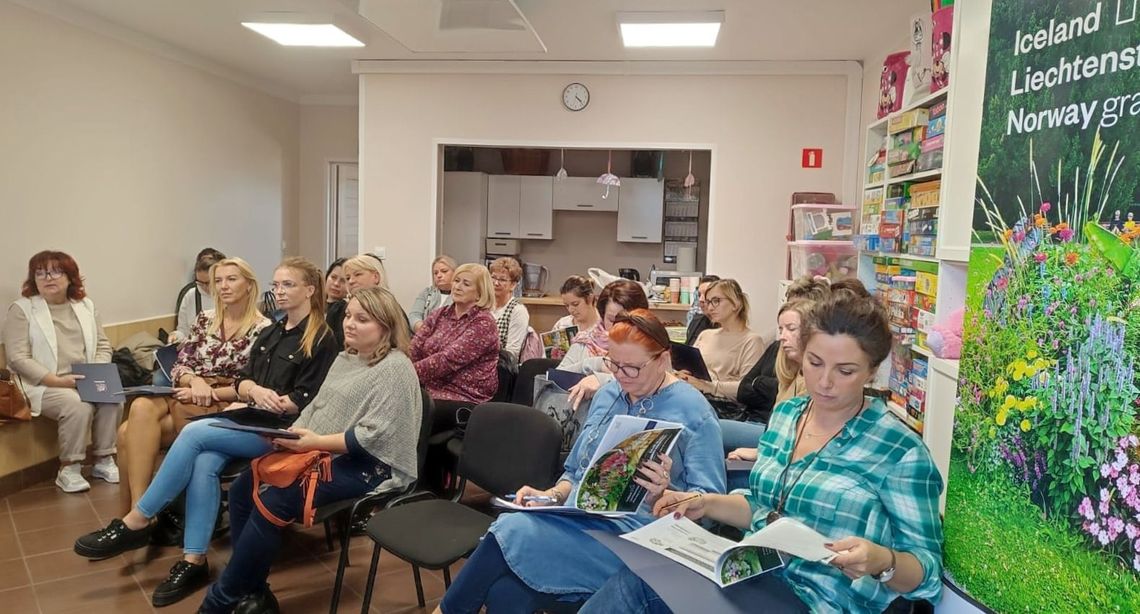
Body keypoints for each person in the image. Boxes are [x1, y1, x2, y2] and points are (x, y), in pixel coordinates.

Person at [584, 294, 944, 614]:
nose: (825, 381)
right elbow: (763, 508)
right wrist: (704, 503)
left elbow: (926, 573)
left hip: (822, 600)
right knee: (642, 575)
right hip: (754, 575)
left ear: (872, 371)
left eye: (845, 371)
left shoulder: (900, 451)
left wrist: (882, 561)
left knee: (640, 589)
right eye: (815, 362)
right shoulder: (789, 416)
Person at [74, 288, 422, 613]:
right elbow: (317, 410)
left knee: (276, 499)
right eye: (349, 315)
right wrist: (290, 436)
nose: (349, 324)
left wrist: (310, 441)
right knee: (243, 488)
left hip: (368, 464)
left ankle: (220, 599)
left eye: (362, 319)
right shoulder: (348, 359)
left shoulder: (395, 368)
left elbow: (371, 437)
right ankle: (254, 590)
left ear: (387, 327)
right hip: (319, 446)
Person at [73, 257, 339, 606]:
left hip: (285, 430)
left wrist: (269, 399)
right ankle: (193, 559)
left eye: (288, 285)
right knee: (203, 461)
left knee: (195, 434)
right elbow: (245, 378)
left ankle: (140, 518)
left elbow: (307, 398)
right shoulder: (273, 332)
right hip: (251, 416)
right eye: (277, 285)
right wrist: (252, 391)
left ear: (310, 289)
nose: (281, 291)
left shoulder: (321, 338)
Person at [436, 310, 726, 613]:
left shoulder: (694, 411)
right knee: (506, 591)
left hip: (638, 538)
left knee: (511, 529)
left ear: (664, 359)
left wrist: (665, 495)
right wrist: (551, 495)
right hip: (579, 517)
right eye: (614, 364)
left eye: (633, 368)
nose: (622, 376)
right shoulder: (609, 393)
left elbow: (709, 509)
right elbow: (575, 471)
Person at [116, 257, 270, 514]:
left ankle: (136, 514)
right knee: (141, 405)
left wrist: (208, 391)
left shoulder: (263, 328)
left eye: (232, 279)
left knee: (125, 433)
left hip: (227, 400)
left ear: (249, 284)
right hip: (190, 392)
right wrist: (195, 381)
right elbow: (181, 363)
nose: (223, 286)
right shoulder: (205, 319)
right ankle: (138, 510)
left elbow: (255, 382)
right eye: (218, 281)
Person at [2, 251, 122, 493]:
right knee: (77, 405)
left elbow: (102, 344)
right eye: (40, 273)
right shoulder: (22, 309)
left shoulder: (85, 306)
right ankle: (69, 468)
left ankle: (104, 460)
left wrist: (96, 373)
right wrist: (56, 380)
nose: (48, 278)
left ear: (70, 277)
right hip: (41, 384)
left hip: (84, 378)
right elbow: (18, 357)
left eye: (56, 271)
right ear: (33, 279)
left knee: (112, 398)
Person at [411, 263, 500, 433]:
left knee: (410, 410)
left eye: (466, 284)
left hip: (463, 397)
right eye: (456, 281)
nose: (457, 286)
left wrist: (405, 374)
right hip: (430, 389)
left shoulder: (483, 322)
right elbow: (415, 346)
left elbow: (446, 360)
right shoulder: (440, 313)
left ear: (480, 292)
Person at [557, 279, 649, 410]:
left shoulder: (650, 347)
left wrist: (602, 380)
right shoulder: (586, 341)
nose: (618, 327)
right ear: (603, 315)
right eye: (612, 320)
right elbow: (556, 378)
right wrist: (597, 364)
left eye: (626, 321)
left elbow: (649, 383)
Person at [676, 279, 765, 405]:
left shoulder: (752, 341)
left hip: (724, 408)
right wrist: (682, 374)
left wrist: (710, 387)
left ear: (736, 304)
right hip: (693, 399)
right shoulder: (705, 335)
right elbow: (691, 370)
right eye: (708, 302)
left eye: (716, 301)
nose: (710, 307)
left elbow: (747, 388)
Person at [171, 248, 226, 344]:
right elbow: (183, 331)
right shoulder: (190, 295)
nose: (204, 287)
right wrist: (176, 336)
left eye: (208, 283)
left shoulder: (230, 296)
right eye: (200, 283)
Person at [488, 257, 530, 361]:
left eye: (502, 279)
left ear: (513, 285)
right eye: (493, 278)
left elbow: (512, 353)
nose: (496, 283)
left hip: (501, 367)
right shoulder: (483, 305)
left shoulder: (517, 310)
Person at [410, 255, 457, 332]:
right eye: (435, 273)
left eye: (444, 271)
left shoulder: (460, 295)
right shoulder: (427, 293)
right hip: (423, 336)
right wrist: (423, 329)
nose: (439, 275)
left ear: (455, 272)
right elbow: (414, 315)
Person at [684, 274, 721, 345]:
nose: (701, 299)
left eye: (706, 294)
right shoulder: (696, 321)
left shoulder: (726, 327)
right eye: (699, 295)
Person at [324, 258, 348, 347]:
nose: (336, 284)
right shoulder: (312, 304)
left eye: (343, 281)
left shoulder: (346, 310)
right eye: (333, 277)